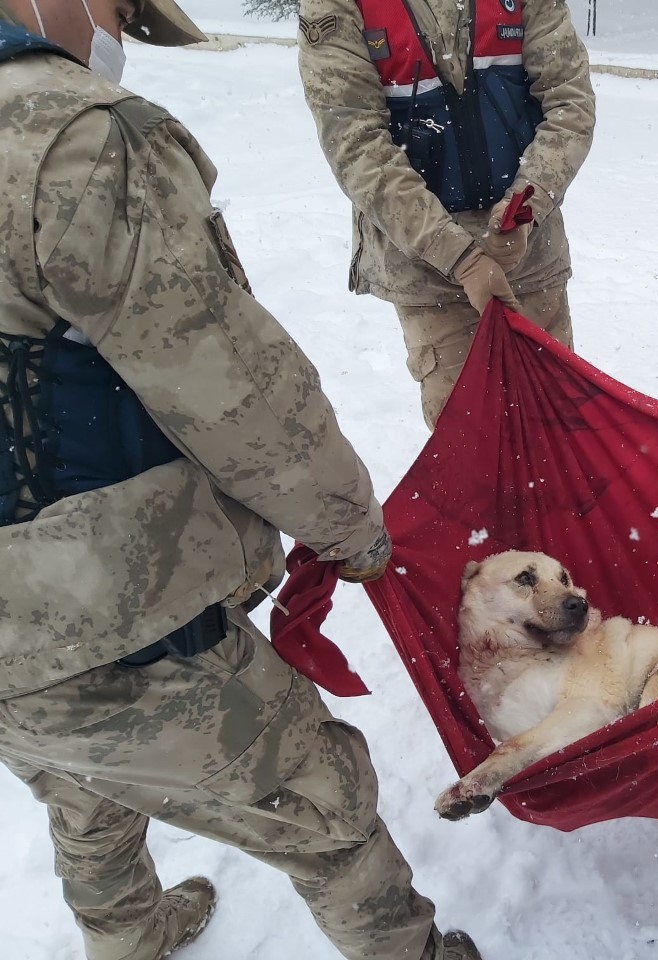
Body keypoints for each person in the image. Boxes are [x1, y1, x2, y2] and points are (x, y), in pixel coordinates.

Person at [0, 2, 480, 958]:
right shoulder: (77, 137)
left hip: (21, 636)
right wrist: (351, 530)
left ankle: (129, 938)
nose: (119, 35)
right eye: (119, 10)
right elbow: (234, 392)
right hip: (95, 606)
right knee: (320, 796)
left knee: (80, 778)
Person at [297, 0, 596, 429]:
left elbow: (570, 104)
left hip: (530, 256)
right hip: (427, 271)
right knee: (471, 446)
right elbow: (356, 145)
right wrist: (460, 256)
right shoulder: (335, 7)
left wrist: (524, 210)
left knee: (556, 429)